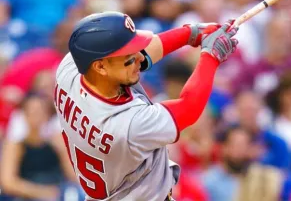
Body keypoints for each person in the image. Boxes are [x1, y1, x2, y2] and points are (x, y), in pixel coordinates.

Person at [54, 11, 238, 200]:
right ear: (100, 67)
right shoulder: (128, 125)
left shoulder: (70, 70)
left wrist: (190, 33)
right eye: (129, 56)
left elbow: (137, 55)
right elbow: (189, 108)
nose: (139, 58)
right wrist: (211, 57)